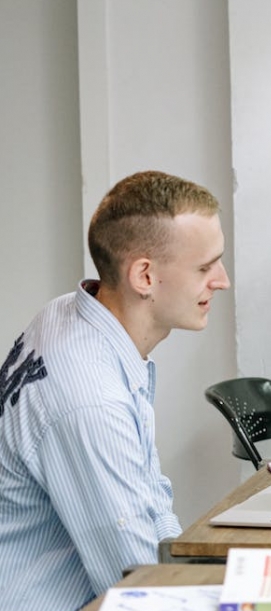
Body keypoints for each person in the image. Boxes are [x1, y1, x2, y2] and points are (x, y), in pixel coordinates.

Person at [0, 171, 230, 611]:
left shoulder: (71, 314)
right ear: (144, 276)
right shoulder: (90, 400)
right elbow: (138, 588)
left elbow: (148, 494)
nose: (222, 280)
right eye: (205, 267)